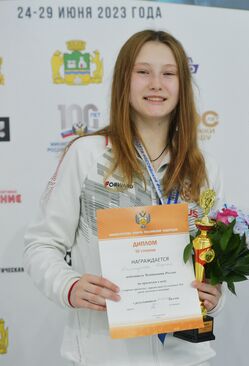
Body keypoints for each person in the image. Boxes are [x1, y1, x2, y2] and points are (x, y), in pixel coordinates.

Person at [24, 30, 224, 366]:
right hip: (104, 352)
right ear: (123, 81)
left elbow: (213, 256)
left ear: (182, 85)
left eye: (169, 73)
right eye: (143, 72)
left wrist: (213, 292)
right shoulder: (87, 155)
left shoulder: (202, 168)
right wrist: (68, 286)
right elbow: (41, 245)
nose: (156, 84)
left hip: (186, 354)